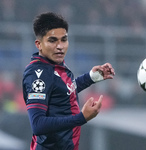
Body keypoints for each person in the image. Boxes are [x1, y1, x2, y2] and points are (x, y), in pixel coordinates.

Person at [22, 12, 115, 150]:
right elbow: (38, 124)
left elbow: (62, 91)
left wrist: (91, 78)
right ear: (39, 44)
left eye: (64, 40)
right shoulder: (38, 75)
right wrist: (81, 118)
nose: (60, 46)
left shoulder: (54, 65)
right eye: (53, 40)